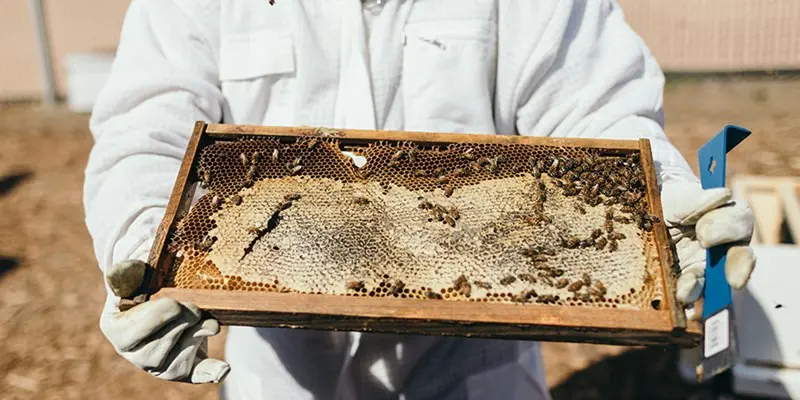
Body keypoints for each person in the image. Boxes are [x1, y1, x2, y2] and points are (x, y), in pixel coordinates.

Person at [83, 0, 757, 399]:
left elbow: (600, 108)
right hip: (280, 369)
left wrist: (658, 208)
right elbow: (149, 125)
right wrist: (147, 253)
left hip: (476, 366)